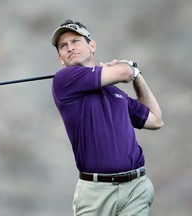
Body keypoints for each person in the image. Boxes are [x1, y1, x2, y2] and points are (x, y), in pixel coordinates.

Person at [51, 19, 164, 216]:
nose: (69, 48)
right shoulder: (64, 81)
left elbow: (156, 120)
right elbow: (124, 71)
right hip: (96, 194)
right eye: (63, 46)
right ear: (61, 58)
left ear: (92, 45)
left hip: (136, 189)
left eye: (75, 41)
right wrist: (128, 68)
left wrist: (137, 76)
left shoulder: (116, 94)